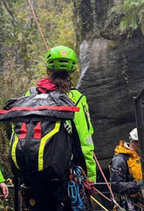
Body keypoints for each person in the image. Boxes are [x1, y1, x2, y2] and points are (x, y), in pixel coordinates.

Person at [21, 45, 96, 210]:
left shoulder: (30, 95)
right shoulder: (75, 98)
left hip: (32, 177)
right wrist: (90, 177)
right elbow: (85, 141)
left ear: (48, 71)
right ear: (72, 72)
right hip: (64, 177)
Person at [109, 127, 144, 211]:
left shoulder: (140, 160)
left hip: (140, 205)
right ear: (137, 142)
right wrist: (140, 184)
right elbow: (116, 186)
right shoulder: (120, 160)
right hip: (126, 206)